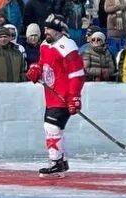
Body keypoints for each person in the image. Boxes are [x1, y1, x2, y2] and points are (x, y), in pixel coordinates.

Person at [25, 16, 85, 177]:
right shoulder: (45, 44)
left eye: (49, 29)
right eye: (45, 29)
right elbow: (42, 63)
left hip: (63, 96)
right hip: (51, 95)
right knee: (53, 128)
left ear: (58, 31)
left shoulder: (68, 47)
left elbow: (77, 74)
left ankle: (56, 162)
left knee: (51, 127)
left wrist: (74, 97)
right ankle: (61, 161)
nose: (45, 32)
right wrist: (35, 70)